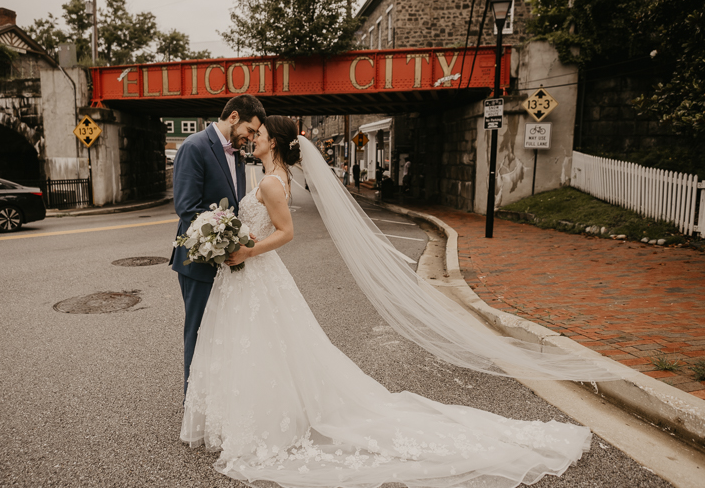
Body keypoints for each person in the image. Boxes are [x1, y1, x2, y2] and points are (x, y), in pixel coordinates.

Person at [180, 116, 604, 488]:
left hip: (255, 272)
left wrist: (248, 250)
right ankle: (251, 418)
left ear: (274, 141)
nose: (253, 137)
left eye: (259, 133)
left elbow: (287, 233)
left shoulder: (272, 182)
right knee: (265, 349)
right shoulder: (268, 177)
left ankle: (262, 424)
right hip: (248, 277)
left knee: (265, 347)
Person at [170, 94, 266, 397]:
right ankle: (193, 403)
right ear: (234, 117)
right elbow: (187, 208)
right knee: (198, 331)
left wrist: (243, 237)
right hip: (198, 259)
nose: (250, 139)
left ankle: (217, 399)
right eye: (250, 131)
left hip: (226, 258)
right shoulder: (194, 147)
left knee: (220, 332)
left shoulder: (235, 154)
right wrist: (232, 236)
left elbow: (233, 207)